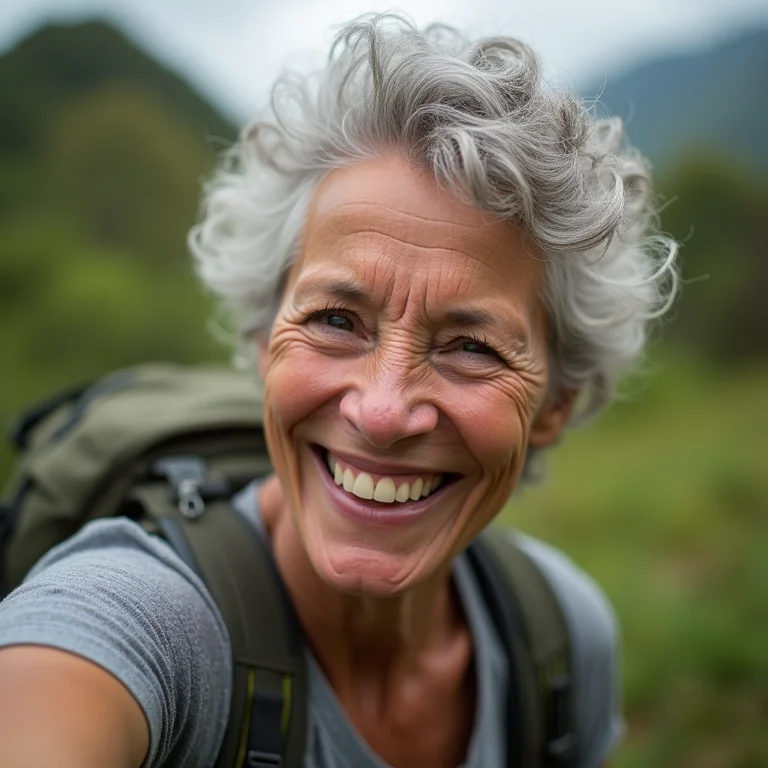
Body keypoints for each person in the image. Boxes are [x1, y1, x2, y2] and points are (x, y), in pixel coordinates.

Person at [0, 14, 677, 768]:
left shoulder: (563, 641)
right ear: (263, 343)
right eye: (335, 320)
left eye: (471, 347)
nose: (383, 412)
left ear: (554, 404)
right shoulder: (140, 618)